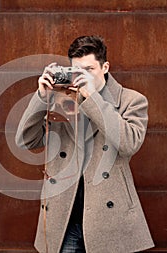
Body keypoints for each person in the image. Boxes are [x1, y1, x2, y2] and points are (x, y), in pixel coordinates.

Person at [15, 35, 154, 253]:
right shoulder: (61, 100)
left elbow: (129, 143)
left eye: (89, 70)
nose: (83, 77)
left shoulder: (131, 100)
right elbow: (25, 141)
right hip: (65, 218)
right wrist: (41, 96)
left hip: (108, 220)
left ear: (105, 67)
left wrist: (91, 98)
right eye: (78, 71)